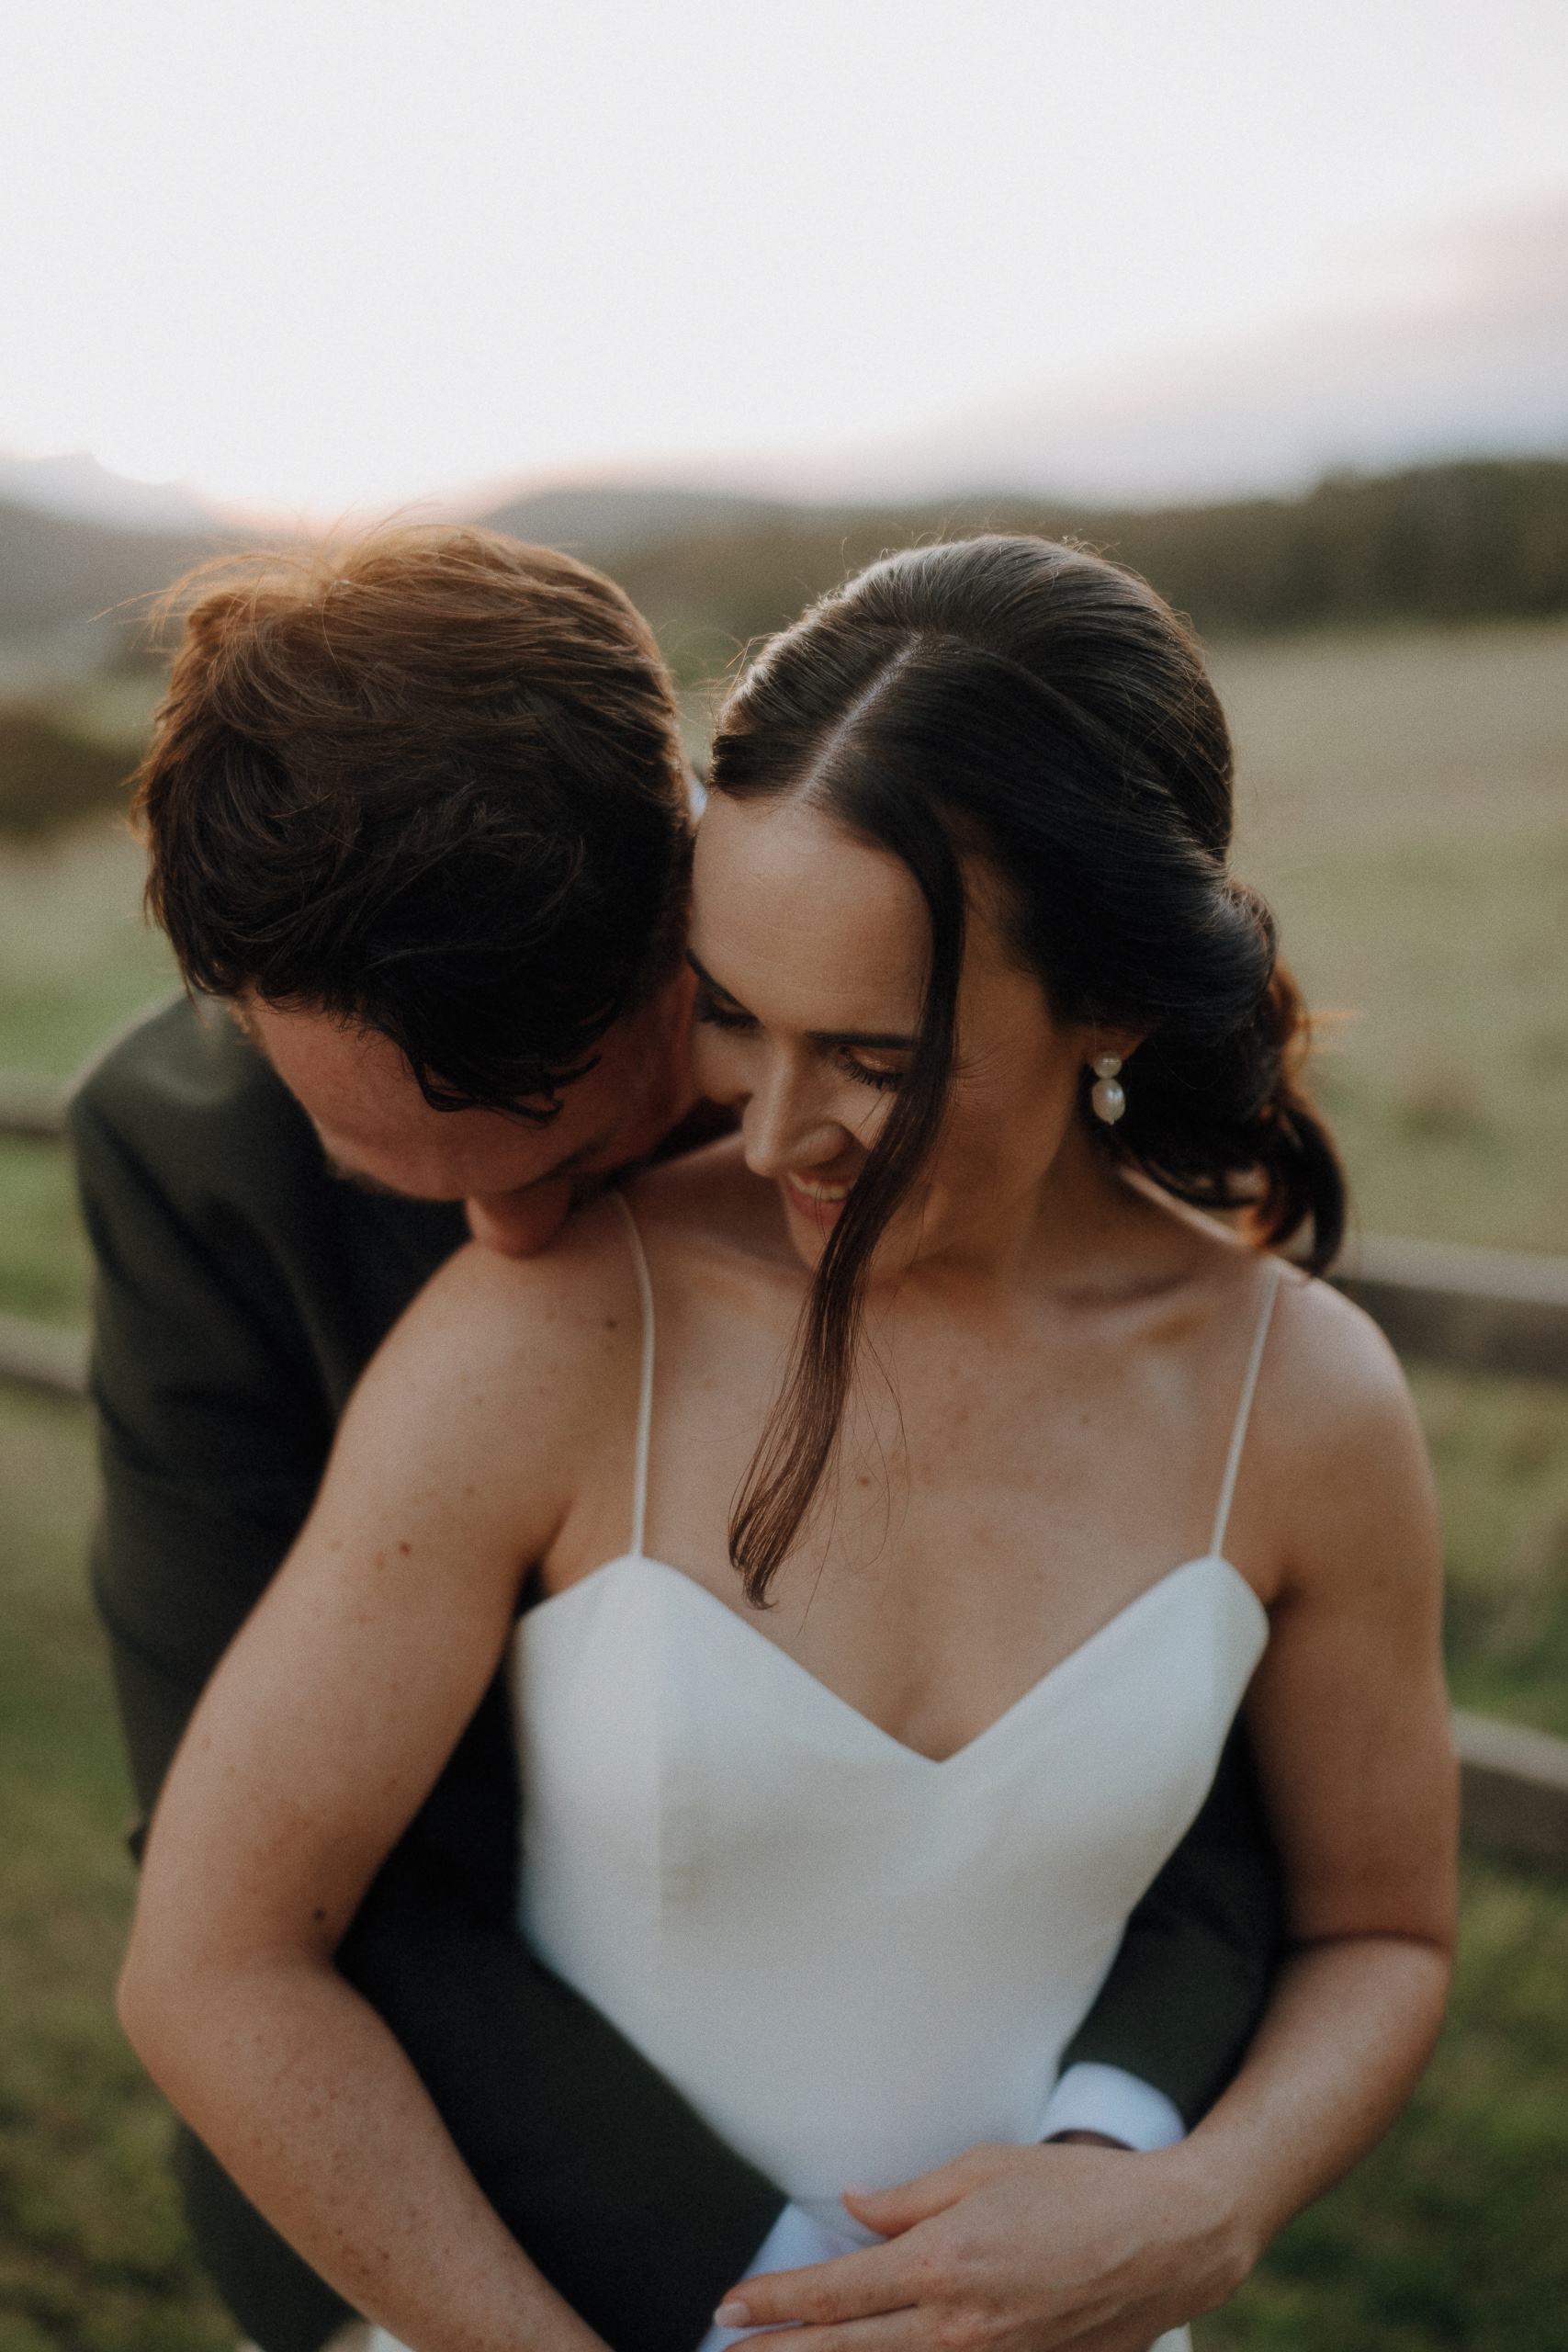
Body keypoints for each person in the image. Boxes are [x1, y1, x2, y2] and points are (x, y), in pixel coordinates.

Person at [115, 535, 1456, 2352]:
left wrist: (1187, 2198)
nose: (770, 1137)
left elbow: (1359, 1916)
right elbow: (228, 1937)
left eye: (875, 1057)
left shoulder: (1302, 1395)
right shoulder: (548, 1316)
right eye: (743, 1022)